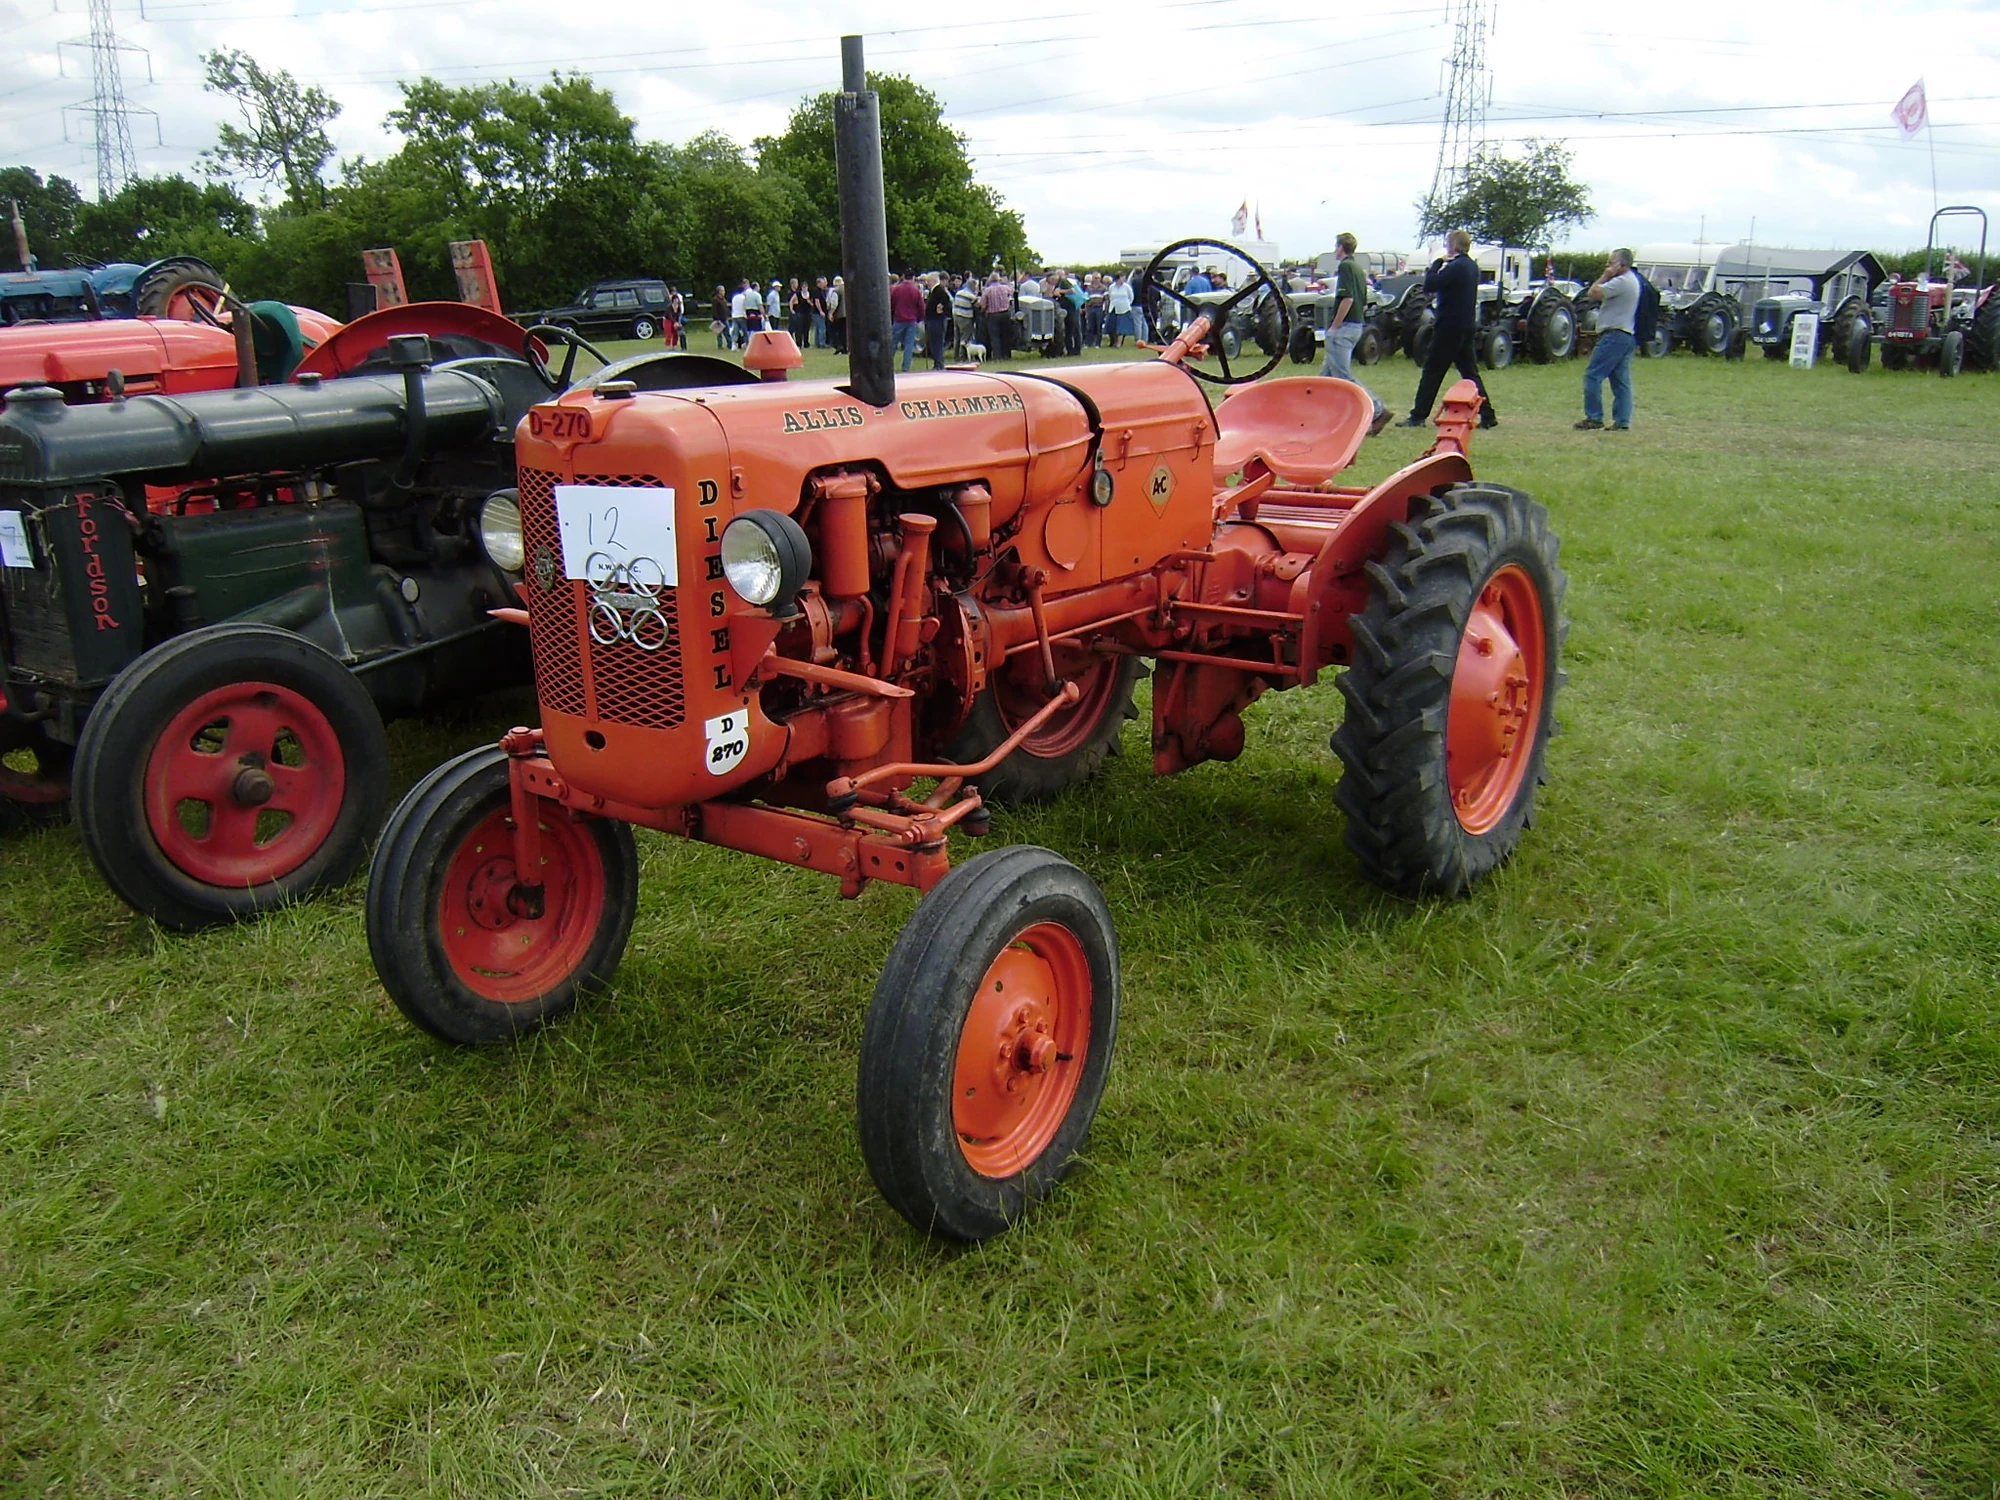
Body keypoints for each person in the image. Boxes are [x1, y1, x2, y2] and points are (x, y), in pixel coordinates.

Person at [1402, 229, 1497, 430]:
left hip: (1449, 326)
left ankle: (1418, 416)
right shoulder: (1472, 266)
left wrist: (1437, 264)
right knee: (1470, 373)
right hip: (1466, 324)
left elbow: (1430, 284)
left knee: (1432, 371)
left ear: (1453, 245)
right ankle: (1488, 415)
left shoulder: (1455, 267)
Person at [1319, 232, 1391, 436]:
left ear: (1341, 247)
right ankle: (1323, 418)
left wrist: (1334, 326)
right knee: (1326, 377)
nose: (1335, 249)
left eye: (1336, 246)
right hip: (1356, 324)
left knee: (1342, 375)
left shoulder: (1345, 267)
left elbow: (1347, 299)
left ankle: (1377, 410)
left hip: (1344, 327)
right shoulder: (1359, 269)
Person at [1577, 248, 1639, 430]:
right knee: (1621, 381)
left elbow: (1593, 293)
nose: (1608, 266)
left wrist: (1605, 275)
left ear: (1622, 264)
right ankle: (1622, 421)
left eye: (1611, 262)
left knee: (1592, 375)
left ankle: (1594, 417)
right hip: (1626, 335)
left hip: (1614, 335)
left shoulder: (1621, 282)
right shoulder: (1632, 281)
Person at [889, 269, 925, 372]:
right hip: (911, 320)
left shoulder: (896, 289)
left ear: (904, 276)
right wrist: (920, 318)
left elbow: (892, 303)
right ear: (913, 277)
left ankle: (887, 365)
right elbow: (921, 307)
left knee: (893, 343)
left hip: (898, 319)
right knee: (909, 345)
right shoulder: (916, 291)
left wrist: (893, 313)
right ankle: (906, 367)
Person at [980, 272, 1014, 359]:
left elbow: (983, 305)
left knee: (995, 337)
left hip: (993, 315)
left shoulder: (987, 290)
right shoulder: (1005, 288)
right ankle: (1006, 354)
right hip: (1005, 313)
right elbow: (1012, 291)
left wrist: (983, 311)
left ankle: (997, 356)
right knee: (1005, 335)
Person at [924, 271, 953, 369]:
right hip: (934, 320)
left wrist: (942, 309)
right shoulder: (936, 290)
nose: (926, 283)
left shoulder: (939, 291)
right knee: (934, 343)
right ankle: (937, 363)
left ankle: (939, 364)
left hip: (937, 320)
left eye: (928, 281)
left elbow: (947, 304)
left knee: (937, 342)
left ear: (932, 280)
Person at [1106, 271, 1134, 348]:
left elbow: (1131, 297)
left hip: (1124, 309)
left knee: (1122, 327)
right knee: (1112, 326)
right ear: (1118, 278)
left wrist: (1127, 304)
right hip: (1114, 308)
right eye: (1122, 278)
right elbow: (1110, 296)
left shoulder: (1127, 287)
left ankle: (1119, 344)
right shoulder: (1112, 287)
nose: (1123, 280)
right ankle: (1114, 342)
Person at [827, 275, 846, 354]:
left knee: (833, 331)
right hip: (847, 314)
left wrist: (830, 313)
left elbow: (834, 303)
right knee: (844, 332)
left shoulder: (836, 291)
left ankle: (838, 346)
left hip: (839, 315)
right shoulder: (847, 289)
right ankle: (845, 348)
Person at [811, 276, 830, 348]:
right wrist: (821, 311)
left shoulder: (822, 291)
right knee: (822, 328)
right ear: (818, 283)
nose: (824, 284)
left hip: (817, 312)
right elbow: (817, 301)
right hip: (817, 313)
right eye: (823, 283)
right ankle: (822, 343)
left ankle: (817, 343)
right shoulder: (817, 291)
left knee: (818, 328)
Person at [712, 284, 730, 350]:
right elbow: (714, 310)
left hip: (725, 318)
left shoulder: (723, 300)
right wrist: (717, 319)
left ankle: (729, 345)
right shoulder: (715, 300)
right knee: (719, 334)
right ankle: (720, 346)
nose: (724, 292)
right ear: (719, 291)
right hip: (719, 319)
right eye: (723, 291)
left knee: (727, 333)